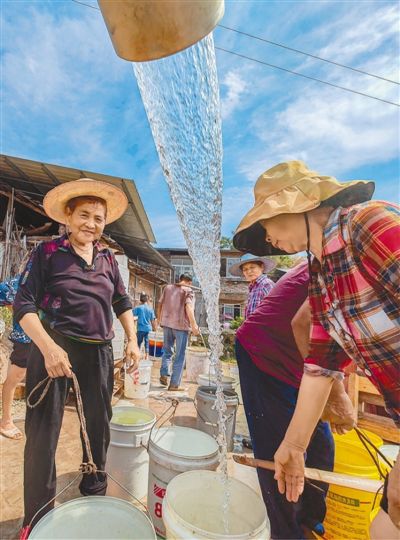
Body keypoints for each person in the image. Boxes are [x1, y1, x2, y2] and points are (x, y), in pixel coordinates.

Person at [233, 160, 399, 532]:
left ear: (302, 204)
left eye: (268, 223)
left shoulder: (370, 223)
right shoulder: (323, 273)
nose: (268, 238)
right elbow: (321, 364)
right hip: (267, 359)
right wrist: (292, 446)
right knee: (387, 521)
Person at [14, 178, 140, 533]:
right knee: (43, 434)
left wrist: (131, 339)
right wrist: (48, 347)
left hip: (98, 352)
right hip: (54, 349)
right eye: (84, 215)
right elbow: (23, 304)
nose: (91, 224)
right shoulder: (48, 253)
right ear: (67, 217)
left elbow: (122, 301)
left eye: (98, 218)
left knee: (97, 431)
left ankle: (93, 496)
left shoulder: (107, 258)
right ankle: (36, 520)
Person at [235, 261, 350, 539]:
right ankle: (286, 533)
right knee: (284, 461)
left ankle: (309, 522)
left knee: (322, 446)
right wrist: (336, 395)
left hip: (305, 365)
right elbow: (304, 323)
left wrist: (338, 390)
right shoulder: (353, 254)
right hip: (265, 356)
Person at [0, 275, 31, 440]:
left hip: (49, 339)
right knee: (16, 376)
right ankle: (5, 421)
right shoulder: (20, 282)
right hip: (25, 337)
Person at [158, 273, 199, 390]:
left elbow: (160, 304)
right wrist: (194, 325)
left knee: (167, 351)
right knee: (180, 356)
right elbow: (188, 308)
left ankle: (164, 374)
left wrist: (159, 319)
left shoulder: (167, 288)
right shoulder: (189, 290)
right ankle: (174, 384)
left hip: (166, 324)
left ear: (180, 279)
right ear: (190, 282)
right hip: (181, 326)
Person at [134, 293, 157, 359]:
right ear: (147, 300)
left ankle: (137, 356)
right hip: (148, 329)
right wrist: (154, 329)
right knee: (147, 343)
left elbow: (131, 314)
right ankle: (146, 356)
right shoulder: (150, 309)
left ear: (140, 300)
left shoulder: (138, 308)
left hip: (140, 329)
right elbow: (153, 320)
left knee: (138, 343)